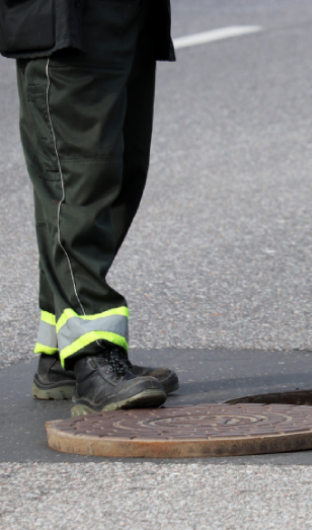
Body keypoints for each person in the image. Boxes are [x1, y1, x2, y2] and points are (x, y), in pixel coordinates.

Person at [1, 0, 180, 416]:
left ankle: (60, 359)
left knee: (119, 174)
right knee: (77, 182)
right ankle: (93, 354)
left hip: (128, 13)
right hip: (67, 15)